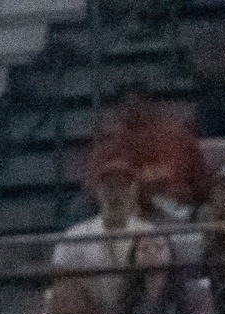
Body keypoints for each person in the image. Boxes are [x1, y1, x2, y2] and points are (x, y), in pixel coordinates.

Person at [85, 81, 209, 218]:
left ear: (151, 105)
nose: (134, 110)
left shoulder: (178, 137)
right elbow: (93, 192)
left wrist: (186, 194)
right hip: (124, 216)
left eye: (139, 103)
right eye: (127, 105)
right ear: (117, 110)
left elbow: (201, 185)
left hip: (177, 213)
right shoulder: (107, 144)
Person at [51, 157, 154, 275]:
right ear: (98, 191)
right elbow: (61, 281)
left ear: (134, 192)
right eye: (110, 187)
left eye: (123, 186)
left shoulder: (150, 234)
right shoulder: (74, 238)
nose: (116, 195)